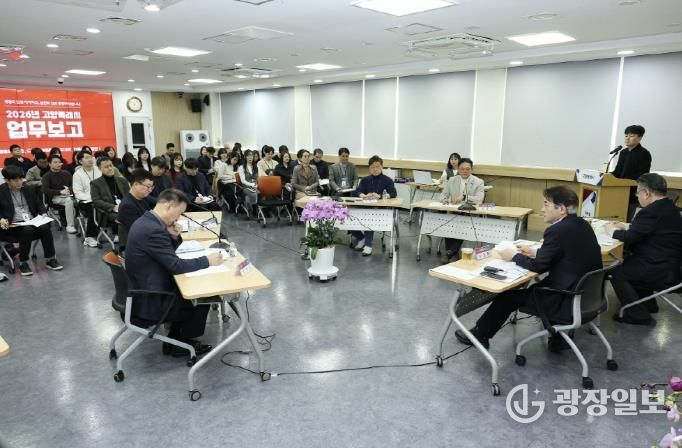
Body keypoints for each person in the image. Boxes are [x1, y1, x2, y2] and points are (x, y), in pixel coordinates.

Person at [454, 186, 602, 351]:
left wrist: (513, 256)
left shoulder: (556, 230)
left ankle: (479, 335)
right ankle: (558, 337)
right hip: (586, 296)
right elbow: (568, 253)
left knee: (507, 297)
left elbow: (537, 266)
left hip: (564, 299)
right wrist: (537, 252)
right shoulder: (582, 224)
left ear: (561, 209)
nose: (542, 209)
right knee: (535, 287)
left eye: (546, 204)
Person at [125, 189, 221, 357]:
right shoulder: (153, 230)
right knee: (203, 295)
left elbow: (164, 254)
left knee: (192, 286)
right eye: (179, 213)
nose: (179, 218)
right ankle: (180, 342)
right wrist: (207, 261)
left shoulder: (147, 221)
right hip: (151, 298)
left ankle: (176, 339)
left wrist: (174, 237)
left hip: (143, 286)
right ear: (169, 206)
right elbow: (175, 265)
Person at [605, 173, 682, 326]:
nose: (637, 196)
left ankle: (637, 315)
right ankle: (647, 304)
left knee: (615, 270)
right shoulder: (669, 207)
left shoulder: (650, 212)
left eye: (638, 192)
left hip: (660, 270)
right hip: (671, 265)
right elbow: (652, 229)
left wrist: (611, 231)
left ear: (646, 193)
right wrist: (627, 226)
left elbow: (631, 237)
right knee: (631, 263)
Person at [0, 166, 64, 276]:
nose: (19, 182)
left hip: (31, 221)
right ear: (7, 180)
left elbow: (39, 203)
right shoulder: (1, 191)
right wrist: (1, 219)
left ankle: (50, 259)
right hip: (12, 226)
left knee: (45, 227)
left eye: (21, 179)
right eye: (15, 180)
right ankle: (23, 262)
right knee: (27, 230)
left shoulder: (27, 189)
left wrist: (43, 213)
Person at [439, 158, 485, 263]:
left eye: (467, 169)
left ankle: (449, 253)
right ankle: (453, 252)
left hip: (469, 213)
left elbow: (479, 199)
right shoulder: (452, 180)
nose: (464, 171)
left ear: (472, 169)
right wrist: (445, 199)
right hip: (453, 211)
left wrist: (465, 197)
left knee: (461, 224)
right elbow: (442, 195)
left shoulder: (478, 182)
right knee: (448, 223)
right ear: (458, 169)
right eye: (462, 169)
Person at [351, 155, 397, 256]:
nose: (375, 169)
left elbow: (393, 193)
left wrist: (381, 196)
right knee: (348, 218)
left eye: (377, 167)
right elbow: (357, 191)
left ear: (382, 167)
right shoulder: (365, 180)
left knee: (370, 216)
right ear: (369, 168)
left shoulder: (387, 180)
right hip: (364, 207)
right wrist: (363, 195)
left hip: (381, 209)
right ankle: (361, 238)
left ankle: (368, 245)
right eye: (372, 167)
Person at [612, 125, 652, 221]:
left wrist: (623, 181)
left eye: (631, 136)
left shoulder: (644, 154)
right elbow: (617, 172)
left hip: (632, 193)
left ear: (640, 138)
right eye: (626, 136)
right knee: (616, 218)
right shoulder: (623, 152)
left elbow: (642, 175)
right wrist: (606, 176)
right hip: (617, 192)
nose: (627, 138)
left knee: (627, 220)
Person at [91, 157, 131, 236]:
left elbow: (129, 196)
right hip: (108, 212)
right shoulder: (95, 183)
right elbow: (96, 201)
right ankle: (123, 240)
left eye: (111, 165)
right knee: (124, 217)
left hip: (124, 208)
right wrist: (113, 207)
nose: (110, 168)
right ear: (99, 169)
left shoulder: (122, 180)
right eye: (106, 167)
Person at [118, 169, 156, 247]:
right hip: (138, 245)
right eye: (148, 187)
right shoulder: (127, 206)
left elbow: (159, 202)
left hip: (148, 237)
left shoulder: (143, 197)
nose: (150, 190)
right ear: (136, 184)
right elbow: (139, 231)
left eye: (151, 187)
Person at [72, 152, 102, 248]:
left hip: (101, 199)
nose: (90, 159)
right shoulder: (77, 175)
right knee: (94, 207)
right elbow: (78, 193)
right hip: (85, 202)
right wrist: (93, 198)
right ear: (80, 161)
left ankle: (117, 233)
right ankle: (90, 237)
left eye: (91, 157)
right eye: (86, 157)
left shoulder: (99, 170)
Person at [41, 155, 78, 234]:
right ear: (49, 164)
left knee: (75, 199)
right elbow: (45, 190)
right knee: (69, 201)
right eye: (55, 162)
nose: (58, 164)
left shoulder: (66, 173)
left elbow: (73, 185)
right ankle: (70, 225)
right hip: (54, 197)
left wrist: (69, 190)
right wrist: (60, 192)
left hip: (68, 194)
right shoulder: (46, 176)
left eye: (59, 162)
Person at [237, 150, 259, 216]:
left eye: (251, 156)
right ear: (245, 157)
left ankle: (261, 209)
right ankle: (254, 211)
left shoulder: (256, 166)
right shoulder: (241, 167)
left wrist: (256, 184)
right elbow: (243, 181)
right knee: (254, 194)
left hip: (255, 185)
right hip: (245, 186)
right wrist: (251, 184)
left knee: (262, 192)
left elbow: (258, 178)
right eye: (248, 156)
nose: (250, 157)